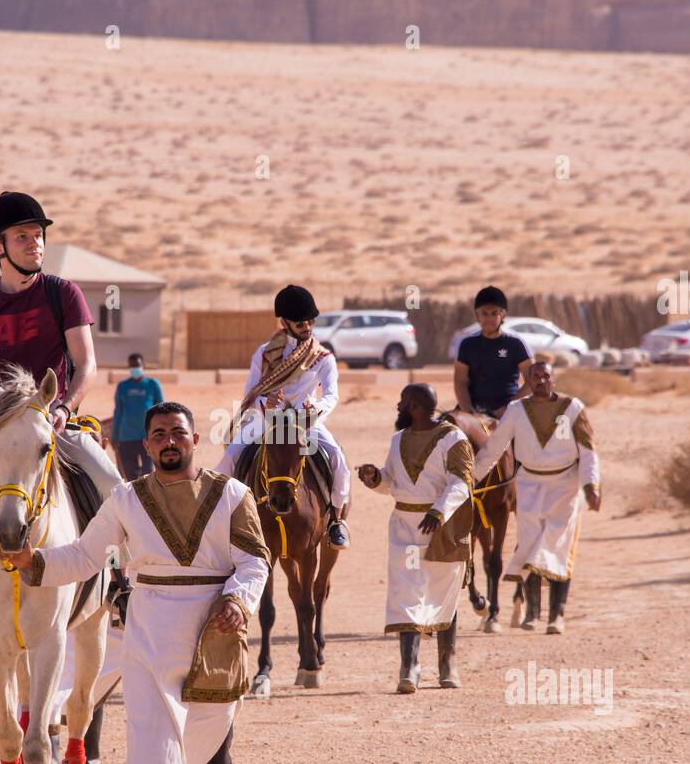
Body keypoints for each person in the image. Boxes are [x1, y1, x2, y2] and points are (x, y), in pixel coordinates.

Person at [7, 401, 269, 764]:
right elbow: (87, 556)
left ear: (194, 438)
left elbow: (255, 561)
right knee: (152, 735)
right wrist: (38, 563)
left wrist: (238, 600)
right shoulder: (126, 499)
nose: (170, 441)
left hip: (217, 629)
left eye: (178, 432)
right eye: (160, 434)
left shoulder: (233, 495)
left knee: (214, 732)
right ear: (147, 445)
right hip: (149, 628)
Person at [0, 191, 124, 647]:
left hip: (53, 425)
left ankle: (119, 584)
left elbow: (86, 363)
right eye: (23, 236)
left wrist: (63, 407)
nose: (35, 243)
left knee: (114, 487)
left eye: (38, 235)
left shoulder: (63, 294)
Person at [214, 284, 352, 548]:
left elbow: (331, 395)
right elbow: (250, 393)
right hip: (266, 420)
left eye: (311, 321)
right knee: (231, 456)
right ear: (285, 322)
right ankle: (222, 518)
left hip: (305, 422)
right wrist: (267, 401)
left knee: (337, 458)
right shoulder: (265, 353)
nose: (307, 327)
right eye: (301, 322)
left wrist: (316, 410)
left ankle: (335, 520)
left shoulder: (322, 357)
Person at [471, 361, 601, 634]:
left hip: (565, 486)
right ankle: (532, 612)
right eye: (535, 377)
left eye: (546, 376)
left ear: (554, 380)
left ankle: (557, 615)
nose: (540, 381)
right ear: (528, 381)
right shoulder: (517, 411)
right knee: (530, 546)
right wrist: (471, 480)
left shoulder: (573, 408)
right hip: (529, 485)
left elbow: (588, 449)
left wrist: (591, 485)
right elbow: (495, 447)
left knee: (558, 546)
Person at [358, 384, 474, 693]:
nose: (397, 406)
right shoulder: (398, 440)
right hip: (405, 530)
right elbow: (392, 483)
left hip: (442, 530)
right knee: (405, 593)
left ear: (414, 406)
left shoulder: (453, 438)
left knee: (442, 592)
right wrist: (375, 478)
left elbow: (462, 482)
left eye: (401, 402)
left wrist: (438, 511)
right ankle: (409, 668)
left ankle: (447, 663)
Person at [453, 285, 533, 426]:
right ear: (477, 315)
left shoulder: (515, 344)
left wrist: (509, 408)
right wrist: (469, 412)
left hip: (509, 412)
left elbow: (532, 380)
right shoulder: (467, 345)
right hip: (474, 412)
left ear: (503, 315)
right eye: (484, 313)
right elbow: (460, 382)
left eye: (494, 313)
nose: (488, 318)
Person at [111, 352, 163, 479]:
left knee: (148, 474)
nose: (135, 368)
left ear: (143, 365)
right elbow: (118, 411)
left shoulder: (152, 384)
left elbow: (162, 410)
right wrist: (114, 435)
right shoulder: (123, 386)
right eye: (132, 366)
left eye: (137, 365)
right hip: (126, 438)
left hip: (148, 437)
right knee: (130, 477)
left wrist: (161, 434)